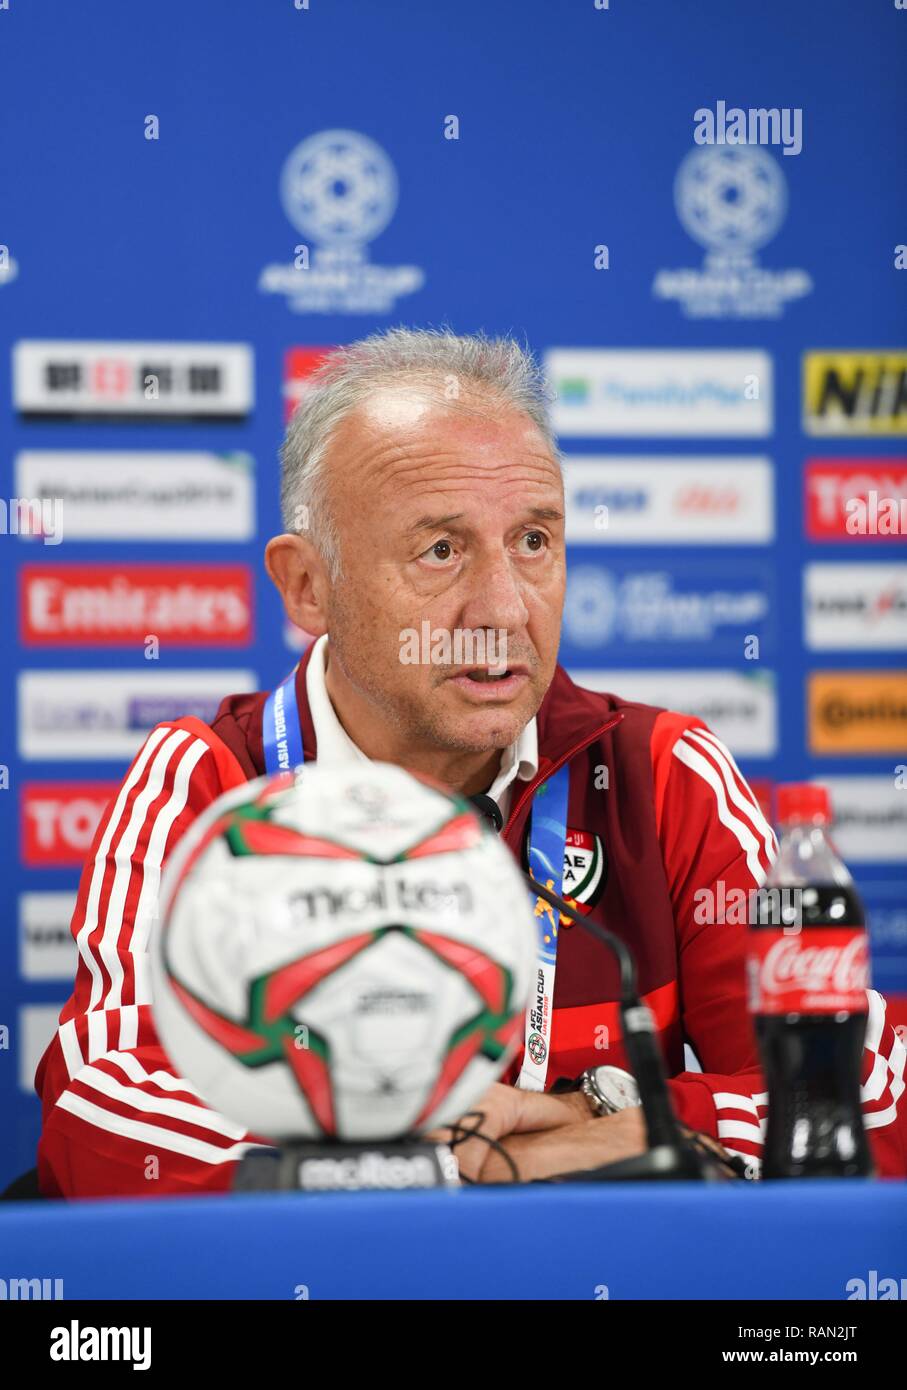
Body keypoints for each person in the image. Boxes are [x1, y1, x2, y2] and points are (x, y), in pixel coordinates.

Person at [34, 328, 907, 1196]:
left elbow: (863, 1099)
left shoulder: (661, 774)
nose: (501, 607)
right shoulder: (207, 782)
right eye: (440, 550)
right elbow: (102, 1109)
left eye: (532, 541)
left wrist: (610, 1113)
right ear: (308, 587)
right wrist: (452, 1171)